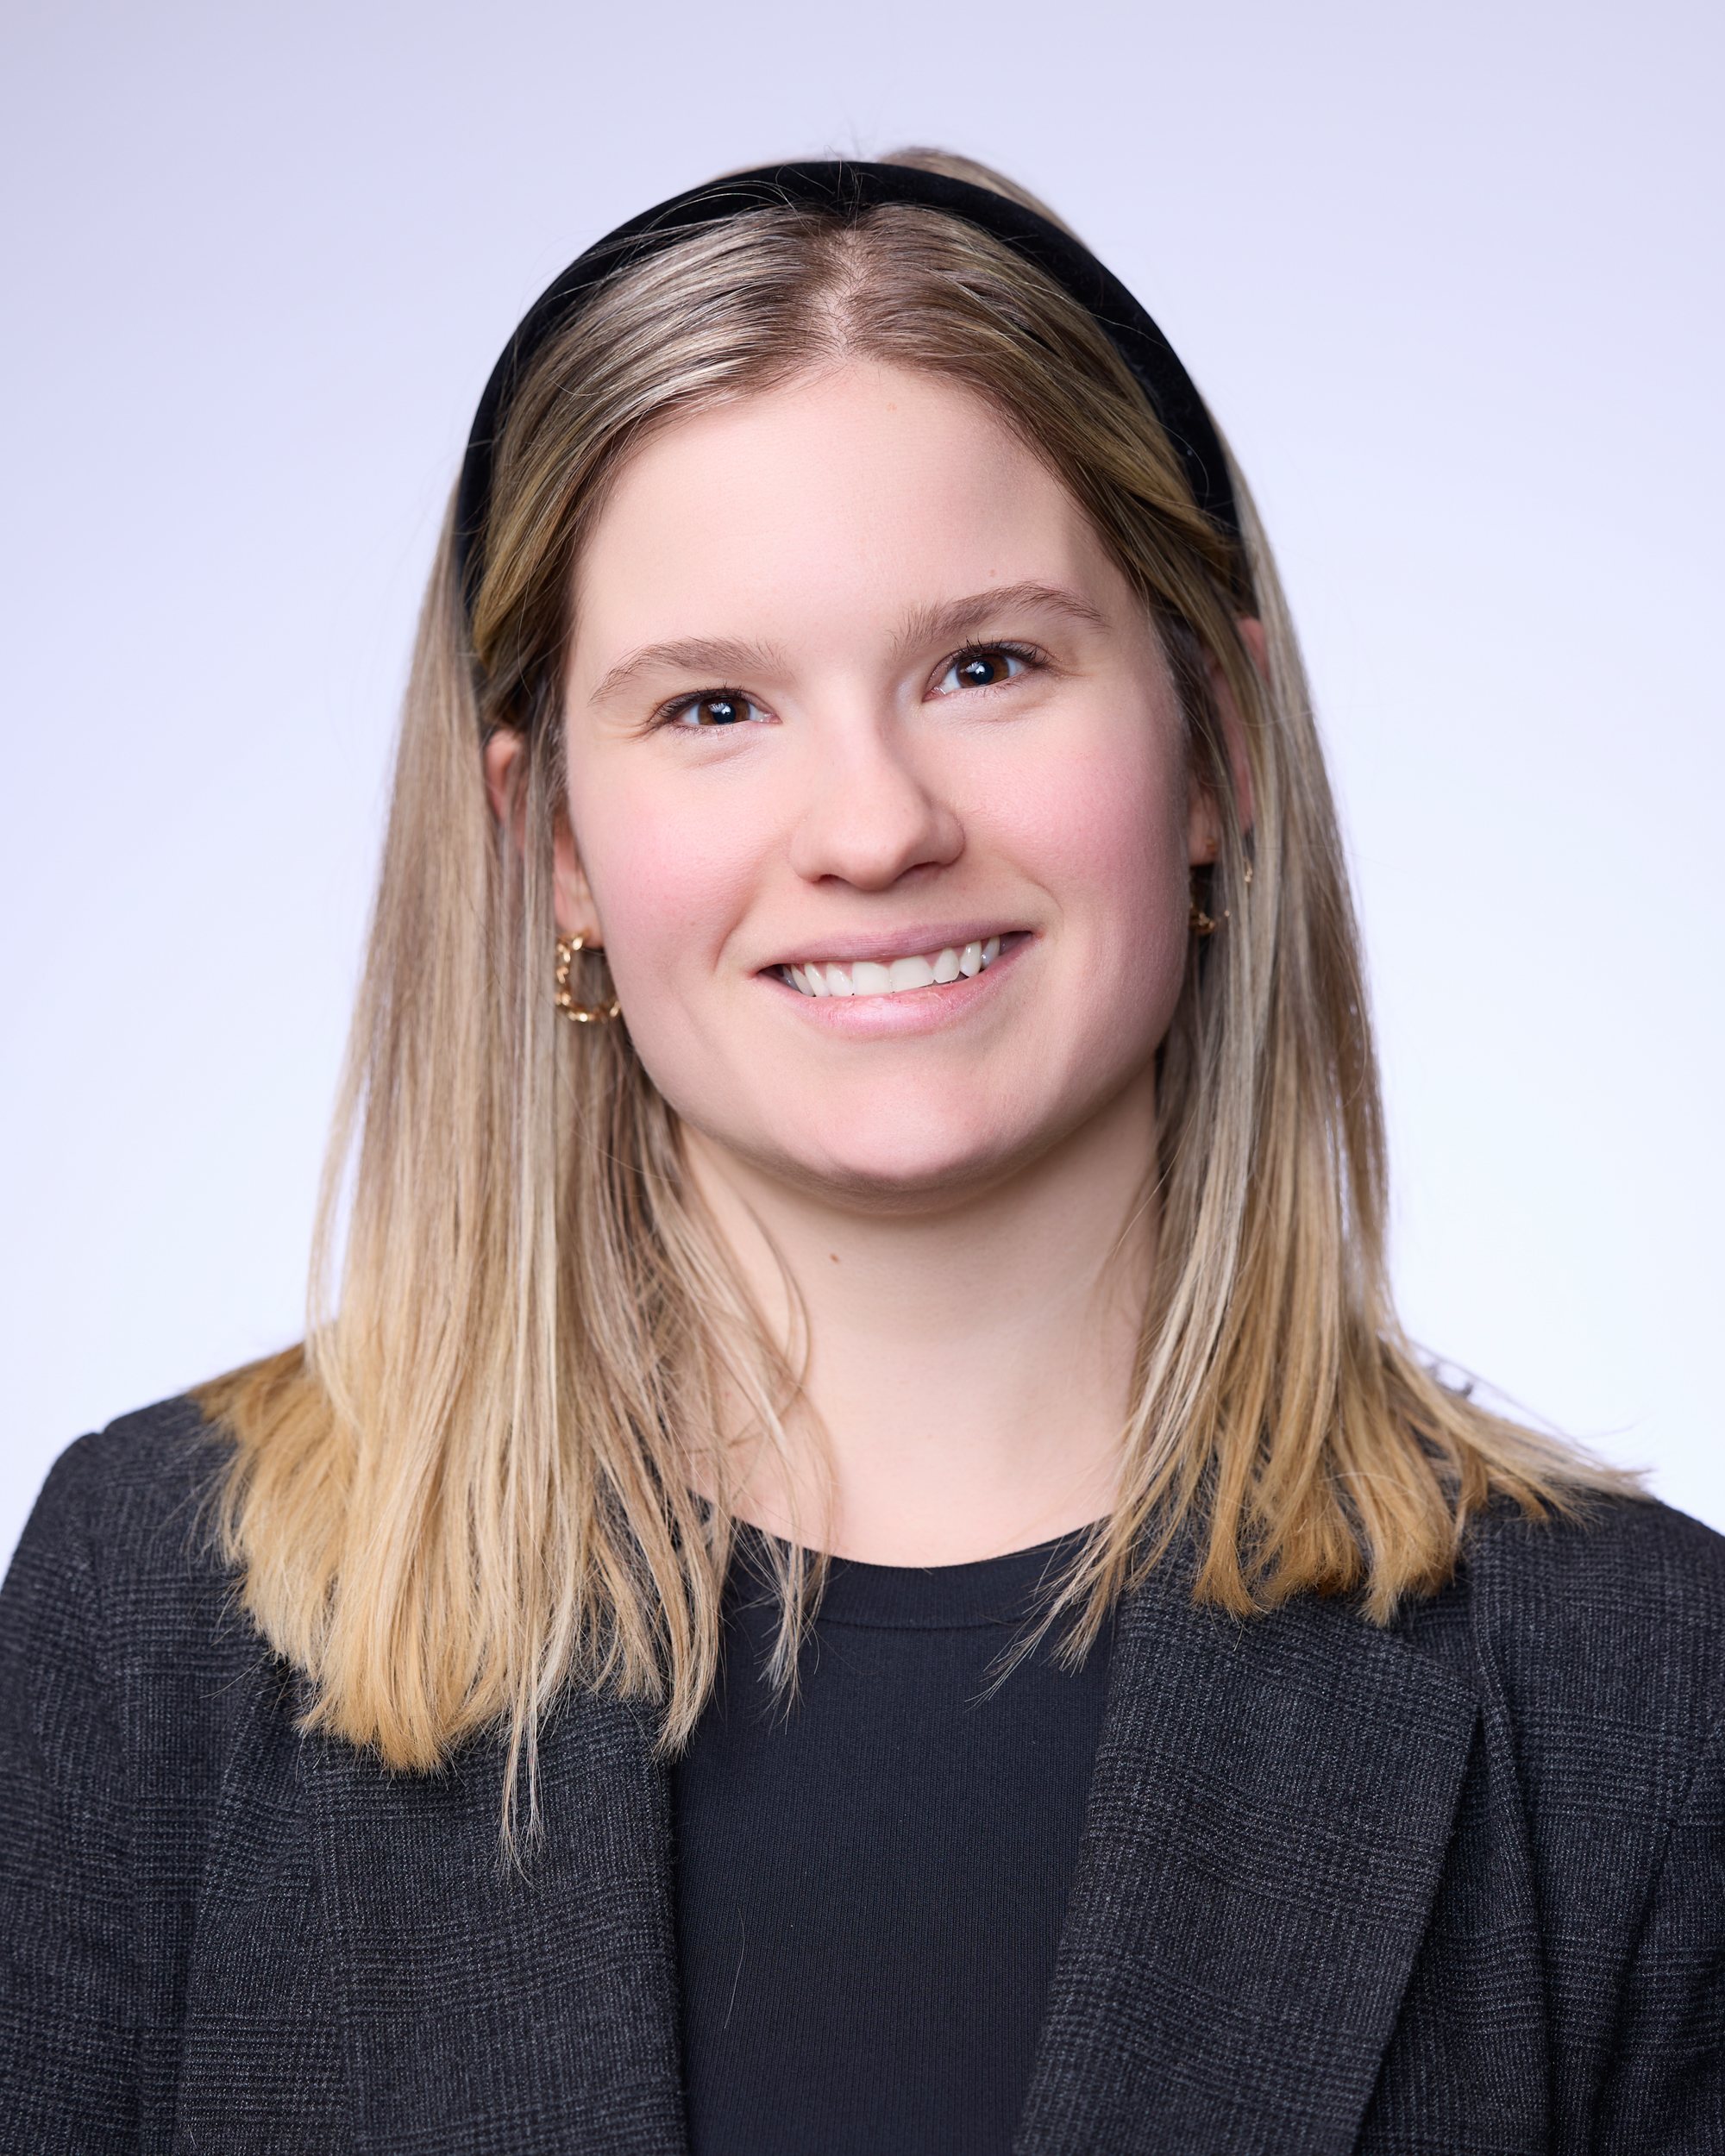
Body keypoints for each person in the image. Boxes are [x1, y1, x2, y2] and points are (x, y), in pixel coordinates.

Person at [2, 150, 1720, 2156]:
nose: (874, 824)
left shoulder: (1641, 1701)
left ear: (1215, 750)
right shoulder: (157, 1611)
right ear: (551, 839)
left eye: (986, 664)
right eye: (714, 704)